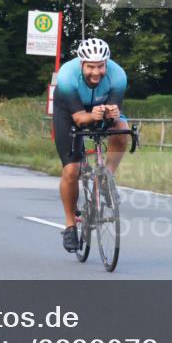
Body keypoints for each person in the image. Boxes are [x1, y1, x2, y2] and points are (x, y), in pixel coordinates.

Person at [52, 37, 129, 252]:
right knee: (72, 170)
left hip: (99, 108)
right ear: (81, 64)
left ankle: (107, 178)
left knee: (122, 128)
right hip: (70, 112)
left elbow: (113, 111)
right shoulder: (67, 77)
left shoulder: (118, 76)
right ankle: (69, 225)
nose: (96, 72)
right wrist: (90, 115)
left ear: (107, 63)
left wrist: (112, 113)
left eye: (100, 66)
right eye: (91, 67)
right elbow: (79, 119)